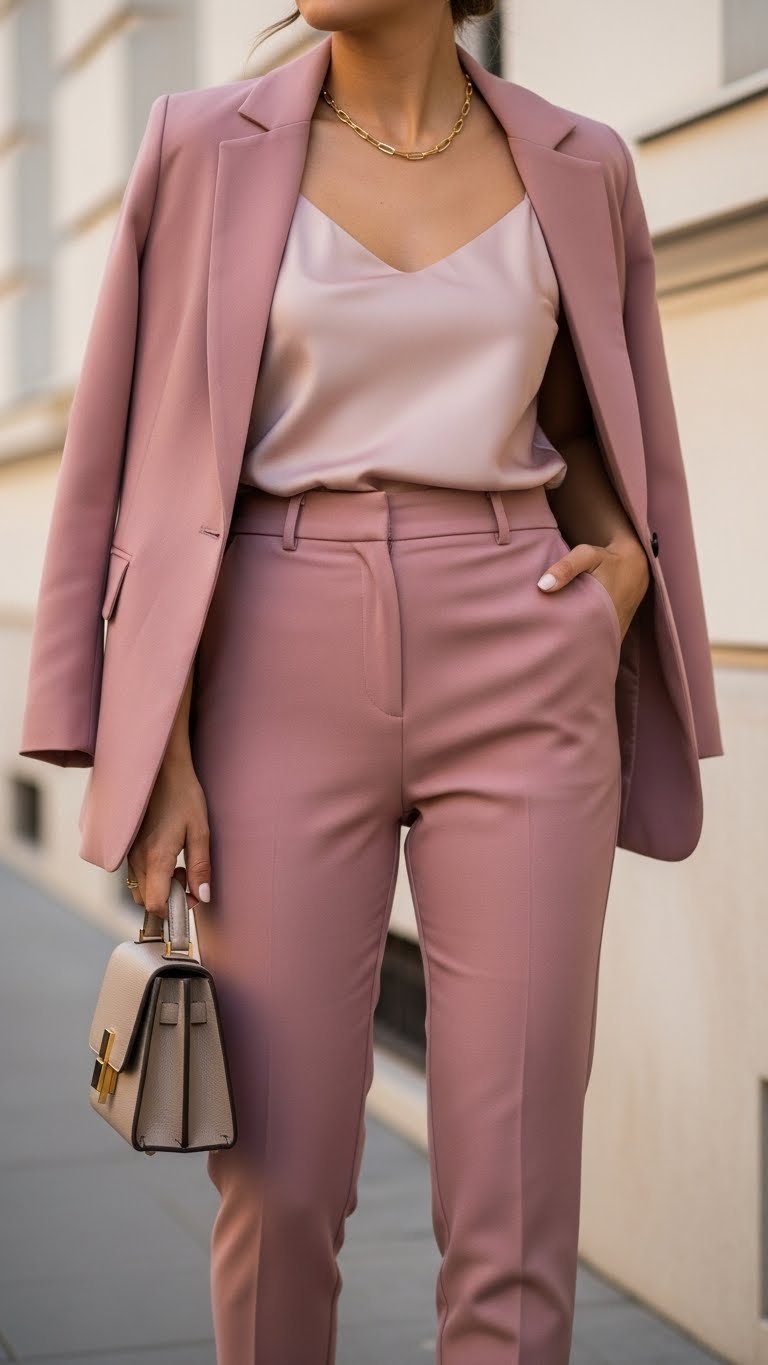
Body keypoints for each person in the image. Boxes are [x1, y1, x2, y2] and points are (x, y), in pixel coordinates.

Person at [18, 2, 724, 1361]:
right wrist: (145, 737)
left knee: (514, 1203)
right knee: (278, 1185)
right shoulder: (197, 144)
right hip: (273, 652)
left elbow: (585, 418)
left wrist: (626, 562)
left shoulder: (581, 161)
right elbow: (116, 445)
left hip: (521, 645)